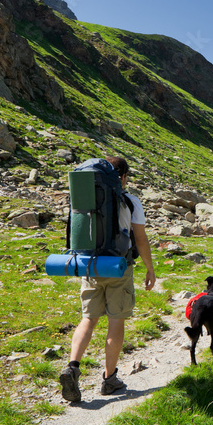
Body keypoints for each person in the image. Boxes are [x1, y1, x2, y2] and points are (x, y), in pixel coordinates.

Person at [59, 156, 156, 402]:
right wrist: (150, 269)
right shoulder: (130, 201)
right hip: (118, 267)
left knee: (88, 320)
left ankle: (72, 366)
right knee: (116, 321)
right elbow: (141, 239)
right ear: (121, 177)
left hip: (90, 264)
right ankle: (109, 379)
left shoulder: (86, 198)